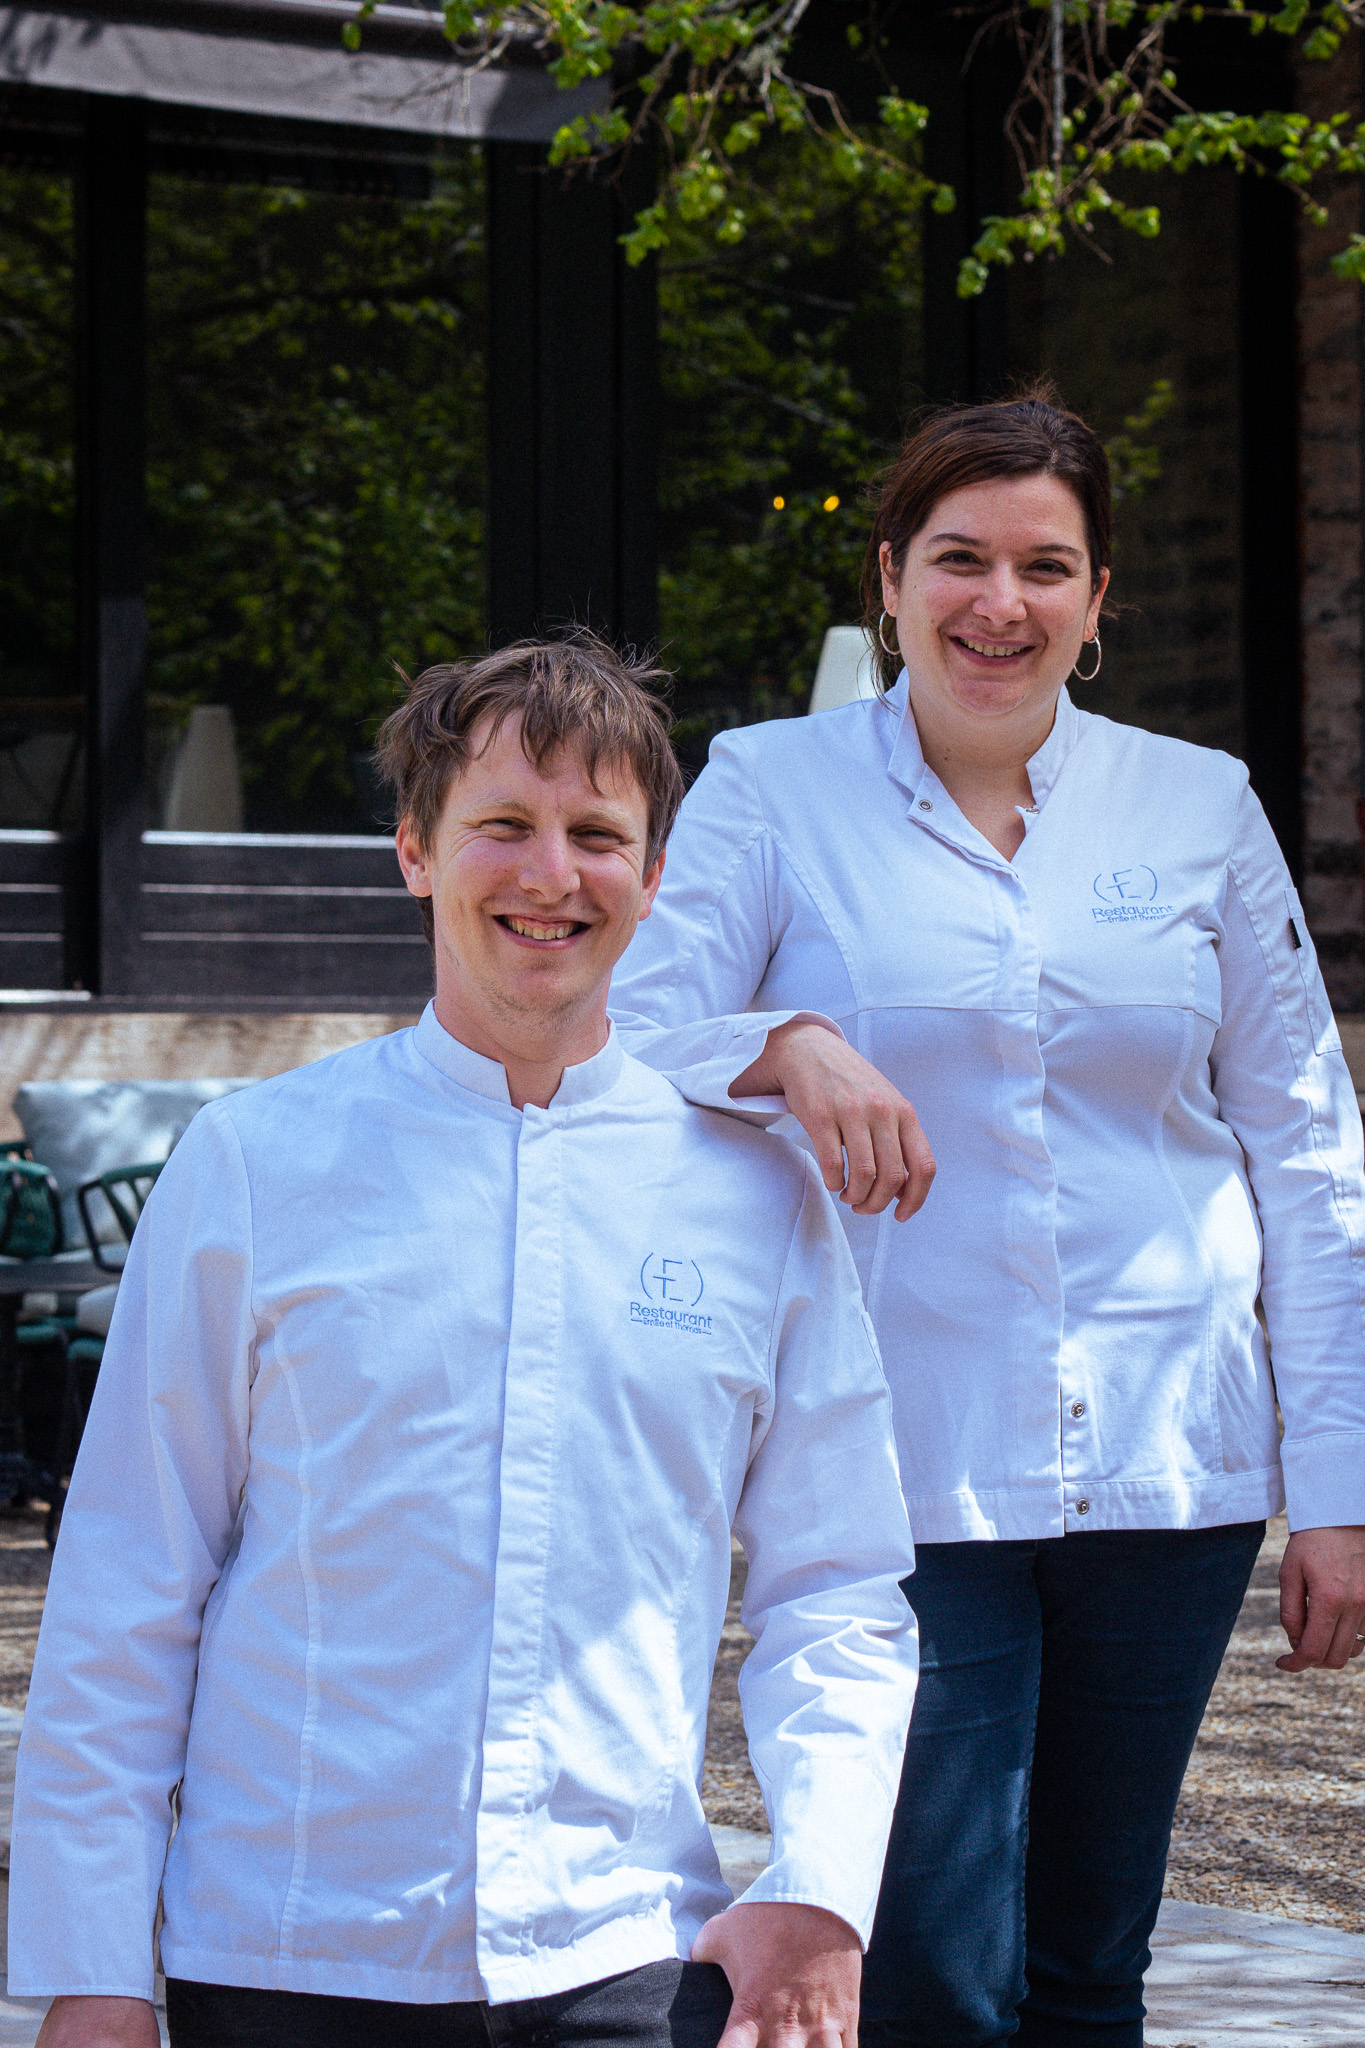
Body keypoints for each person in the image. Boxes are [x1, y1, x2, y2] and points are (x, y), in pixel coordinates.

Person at [8, 638, 919, 2048]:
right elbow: (133, 1578)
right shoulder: (255, 1163)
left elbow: (836, 1588)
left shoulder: (756, 1199)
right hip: (288, 1951)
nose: (551, 874)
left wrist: (822, 1885)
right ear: (415, 852)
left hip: (619, 1952)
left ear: (654, 879)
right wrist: (94, 1969)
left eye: (596, 835)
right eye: (502, 824)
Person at [610, 391, 1365, 2048]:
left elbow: (1305, 1145)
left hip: (1169, 1467)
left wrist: (1338, 1490)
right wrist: (786, 1042)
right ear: (889, 580)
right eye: (958, 558)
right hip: (896, 1459)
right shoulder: (768, 787)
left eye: (1044, 565)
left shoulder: (1196, 804)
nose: (996, 603)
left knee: (1092, 1957)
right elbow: (634, 1033)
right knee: (937, 1962)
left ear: (1096, 604)